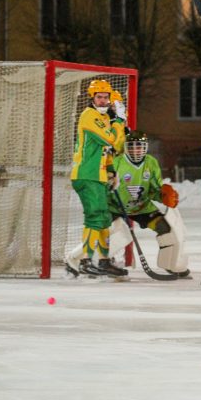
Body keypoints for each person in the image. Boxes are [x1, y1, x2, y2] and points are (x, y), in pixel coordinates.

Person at [107, 130, 188, 276]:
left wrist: (162, 195)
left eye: (139, 146)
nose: (136, 150)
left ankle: (170, 264)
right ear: (125, 147)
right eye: (131, 146)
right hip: (116, 207)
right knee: (106, 232)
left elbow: (154, 190)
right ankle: (102, 263)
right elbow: (106, 185)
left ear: (145, 147)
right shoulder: (117, 162)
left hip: (142, 208)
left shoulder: (151, 162)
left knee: (165, 229)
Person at [68, 79, 127, 277]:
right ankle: (85, 260)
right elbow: (109, 139)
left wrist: (111, 171)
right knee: (94, 217)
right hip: (86, 175)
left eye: (106, 97)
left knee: (103, 219)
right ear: (92, 98)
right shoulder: (89, 116)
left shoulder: (103, 119)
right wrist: (119, 121)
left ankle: (103, 261)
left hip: (98, 176)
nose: (102, 101)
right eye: (99, 97)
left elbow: (111, 148)